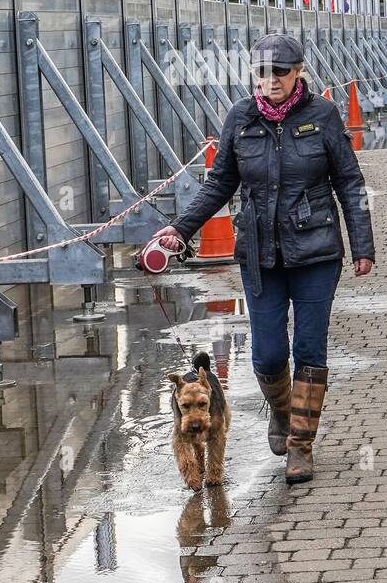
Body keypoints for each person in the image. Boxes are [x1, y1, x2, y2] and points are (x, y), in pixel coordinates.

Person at [155, 34, 375, 484]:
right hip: (259, 254)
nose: (270, 81)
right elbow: (219, 184)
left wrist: (362, 245)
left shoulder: (323, 115)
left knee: (309, 350)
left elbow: (349, 182)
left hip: (316, 251)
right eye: (262, 72)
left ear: (298, 73)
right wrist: (179, 229)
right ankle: (280, 410)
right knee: (269, 353)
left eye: (279, 72)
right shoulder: (241, 117)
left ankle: (300, 446)